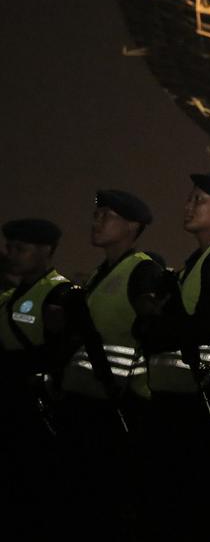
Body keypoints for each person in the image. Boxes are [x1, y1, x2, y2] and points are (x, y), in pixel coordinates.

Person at [134, 172, 210, 540]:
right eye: (189, 199)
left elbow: (205, 326)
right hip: (185, 400)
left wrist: (149, 329)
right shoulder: (197, 262)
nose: (188, 206)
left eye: (199, 200)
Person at [59, 189, 164, 538]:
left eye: (107, 216)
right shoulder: (98, 275)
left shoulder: (142, 271)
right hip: (85, 403)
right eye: (97, 214)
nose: (96, 221)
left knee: (109, 504)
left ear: (132, 226)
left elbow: (152, 326)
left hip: (118, 407)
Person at [0, 218, 84, 537]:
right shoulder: (9, 297)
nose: (12, 254)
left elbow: (62, 353)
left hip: (40, 410)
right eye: (10, 248)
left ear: (45, 250)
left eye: (20, 249)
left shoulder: (62, 294)